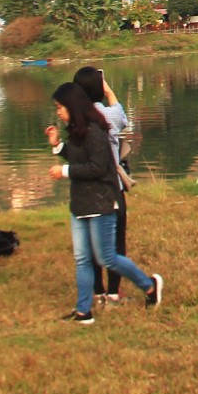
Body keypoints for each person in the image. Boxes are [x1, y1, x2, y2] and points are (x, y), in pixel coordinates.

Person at [45, 81, 161, 324]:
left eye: (60, 107)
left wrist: (64, 171)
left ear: (73, 106)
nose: (58, 112)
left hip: (101, 203)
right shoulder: (76, 131)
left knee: (107, 257)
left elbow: (98, 167)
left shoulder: (96, 131)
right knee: (83, 259)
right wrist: (58, 145)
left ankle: (149, 285)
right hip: (81, 205)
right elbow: (78, 156)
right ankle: (83, 311)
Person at [72, 66, 133, 304]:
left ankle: (97, 292)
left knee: (92, 243)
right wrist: (108, 91)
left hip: (87, 190)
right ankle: (114, 293)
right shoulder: (109, 116)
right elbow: (122, 117)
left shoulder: (76, 120)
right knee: (115, 243)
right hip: (112, 187)